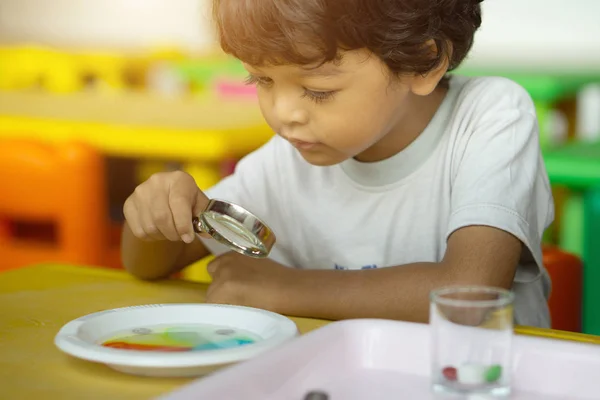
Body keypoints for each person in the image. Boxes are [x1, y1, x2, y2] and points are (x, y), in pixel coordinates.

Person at [121, 0, 554, 328]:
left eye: (318, 90)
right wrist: (156, 211)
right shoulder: (288, 160)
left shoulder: (489, 116)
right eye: (262, 80)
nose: (283, 113)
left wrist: (287, 289)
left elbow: (470, 293)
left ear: (423, 61)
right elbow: (149, 263)